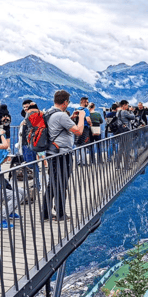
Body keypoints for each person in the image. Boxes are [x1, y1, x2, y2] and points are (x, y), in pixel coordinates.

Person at [42, 90, 85, 221]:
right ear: (65, 102)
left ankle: (46, 213)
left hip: (52, 152)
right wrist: (82, 116)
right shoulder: (60, 115)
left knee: (53, 183)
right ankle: (60, 214)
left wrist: (70, 118)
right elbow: (78, 131)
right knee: (61, 183)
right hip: (61, 154)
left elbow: (56, 126)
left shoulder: (50, 112)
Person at [74, 97, 92, 165]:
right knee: (83, 145)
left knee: (77, 145)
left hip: (77, 128)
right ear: (83, 102)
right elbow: (88, 119)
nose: (87, 103)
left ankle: (77, 161)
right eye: (87, 102)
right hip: (84, 129)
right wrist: (90, 124)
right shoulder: (86, 110)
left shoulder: (76, 110)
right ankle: (83, 162)